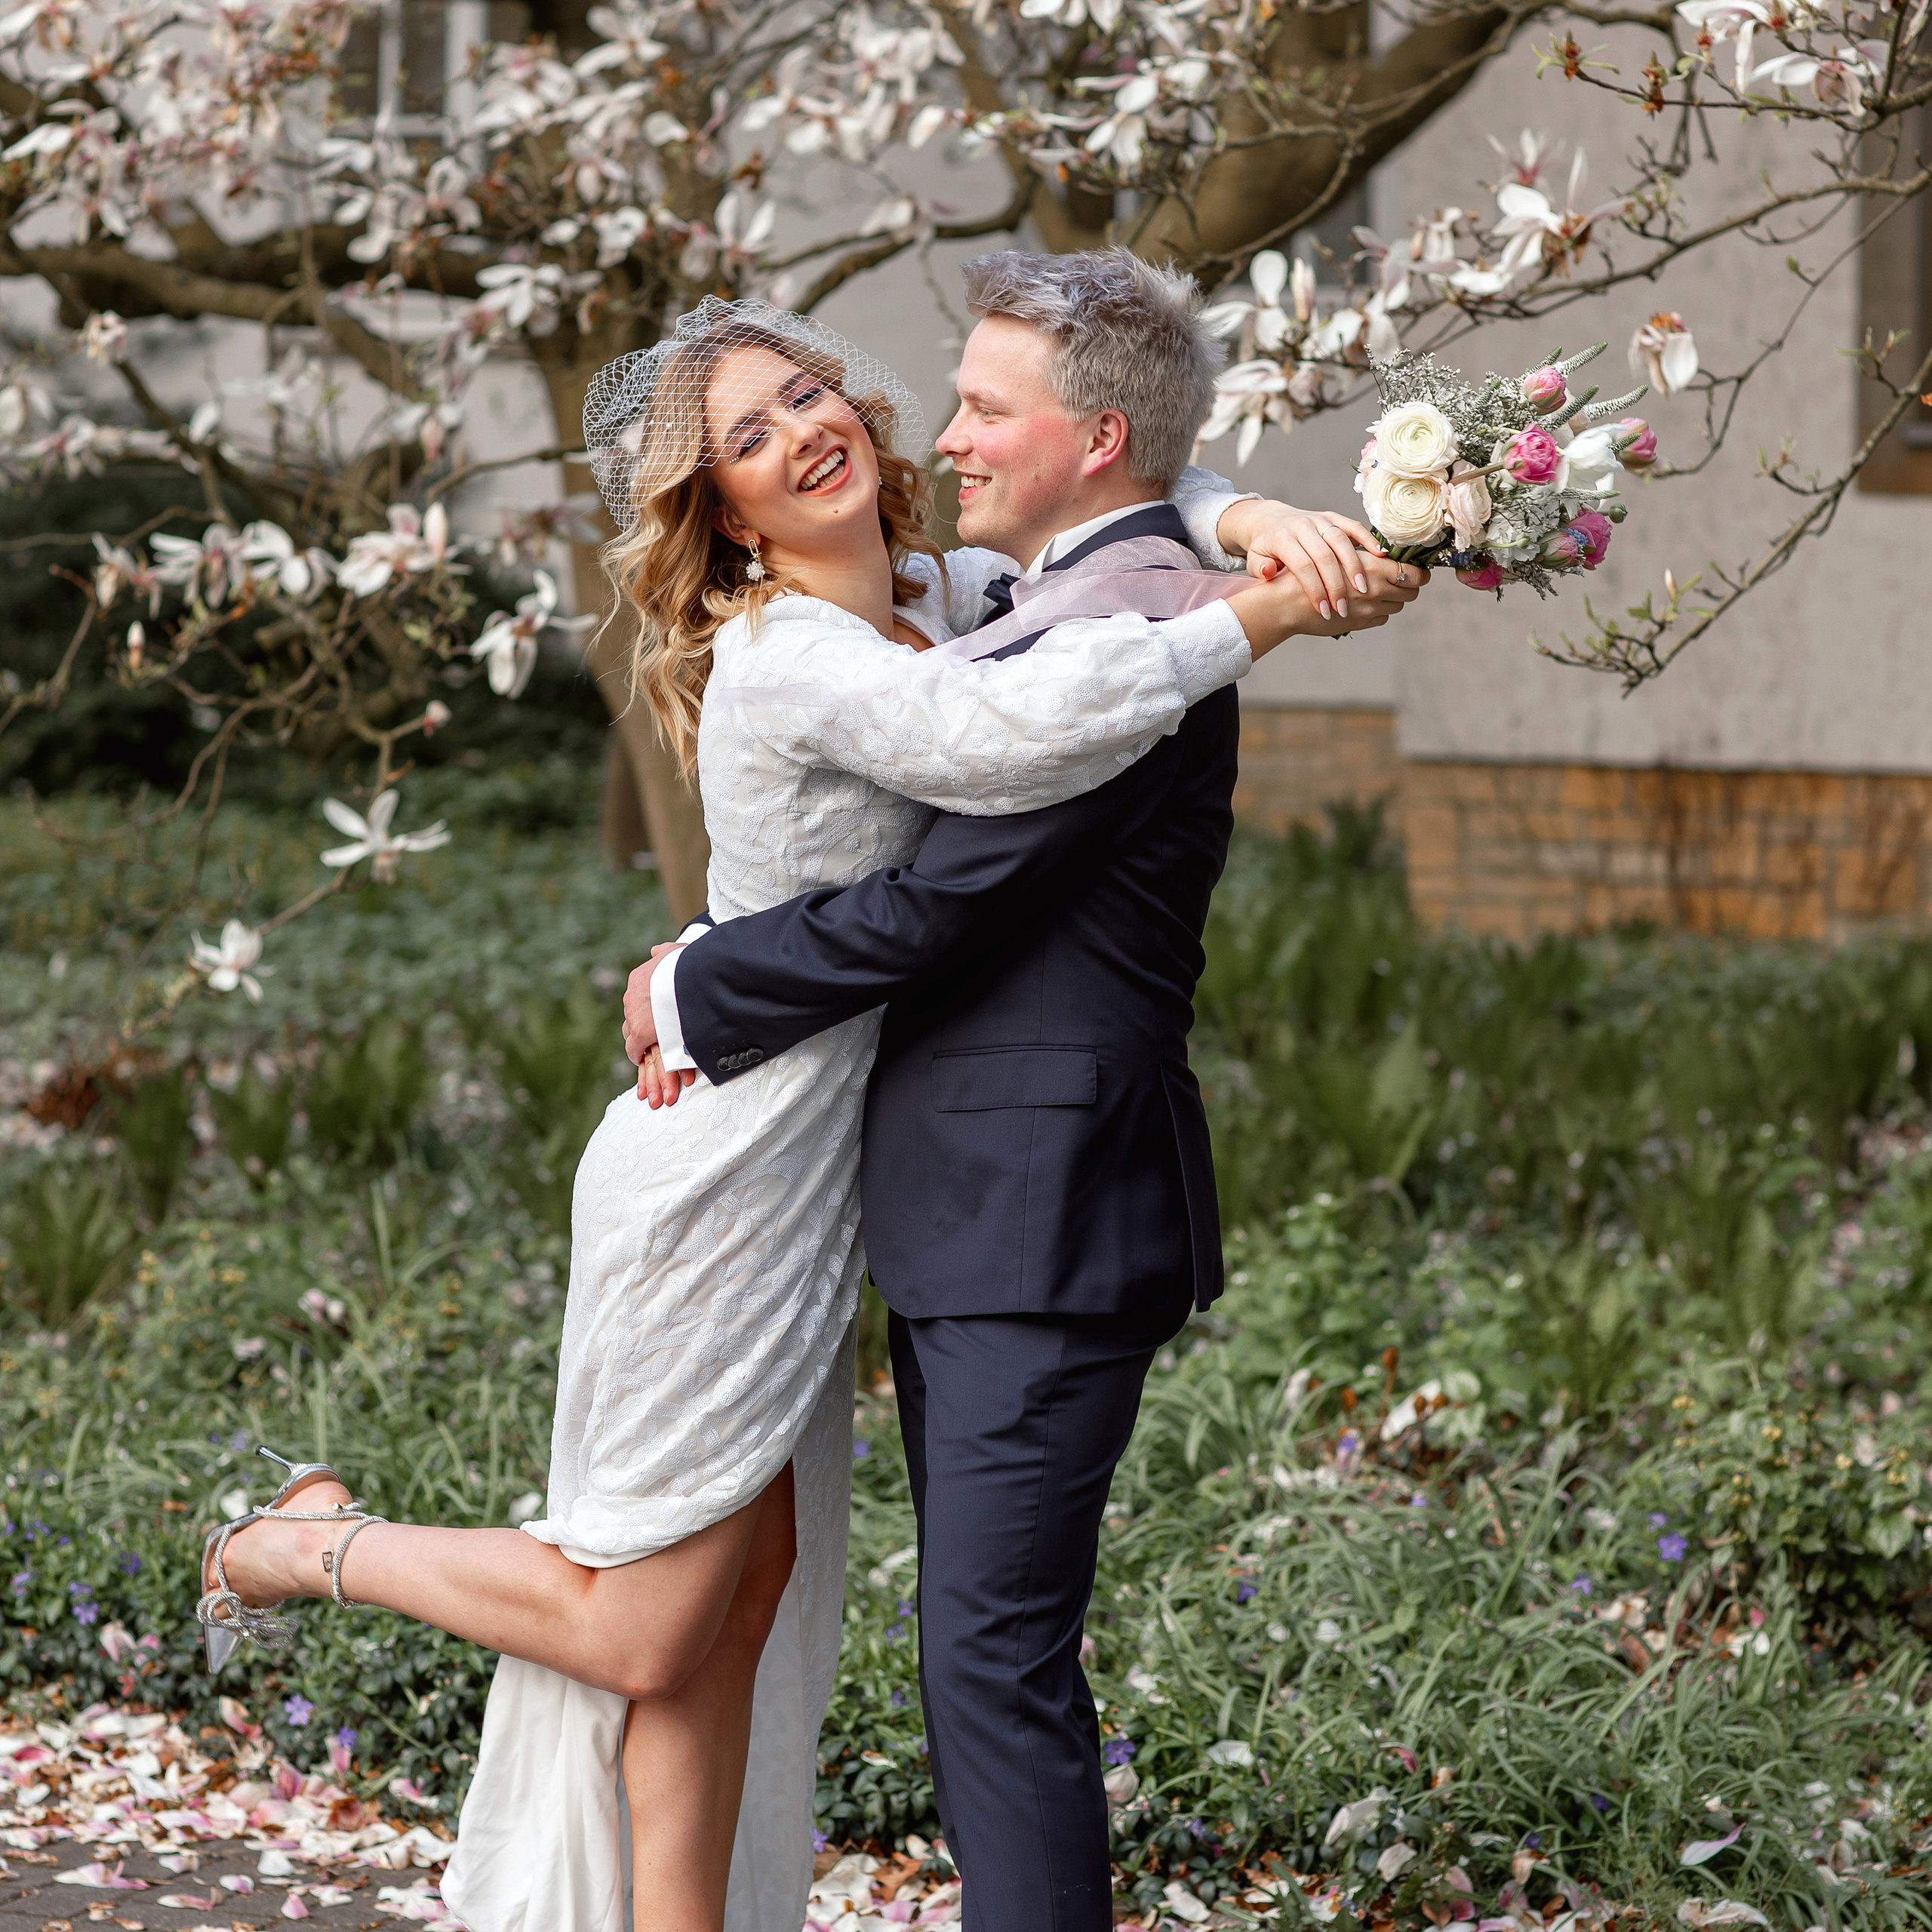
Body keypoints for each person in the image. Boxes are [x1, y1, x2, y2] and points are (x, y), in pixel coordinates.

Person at [192, 279, 1424, 1932]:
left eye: (804, 396)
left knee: (743, 1596)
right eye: (748, 440)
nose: (801, 435)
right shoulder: (795, 654)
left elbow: (1118, 493)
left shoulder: (946, 584)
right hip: (720, 1159)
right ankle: (305, 1538)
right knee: (644, 1620)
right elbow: (1008, 729)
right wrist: (1255, 615)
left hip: (818, 1173)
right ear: (723, 510)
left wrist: (1245, 502)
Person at [623, 250, 1429, 1932]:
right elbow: (1143, 493)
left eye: (987, 406)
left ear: (1091, 438)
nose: (947, 429)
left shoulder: (1124, 631)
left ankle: (302, 1549)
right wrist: (1229, 511)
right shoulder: (1020, 594)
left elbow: (942, 899)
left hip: (1035, 1217)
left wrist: (698, 974)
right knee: (937, 1647)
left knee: (985, 1665)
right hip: (954, 1212)